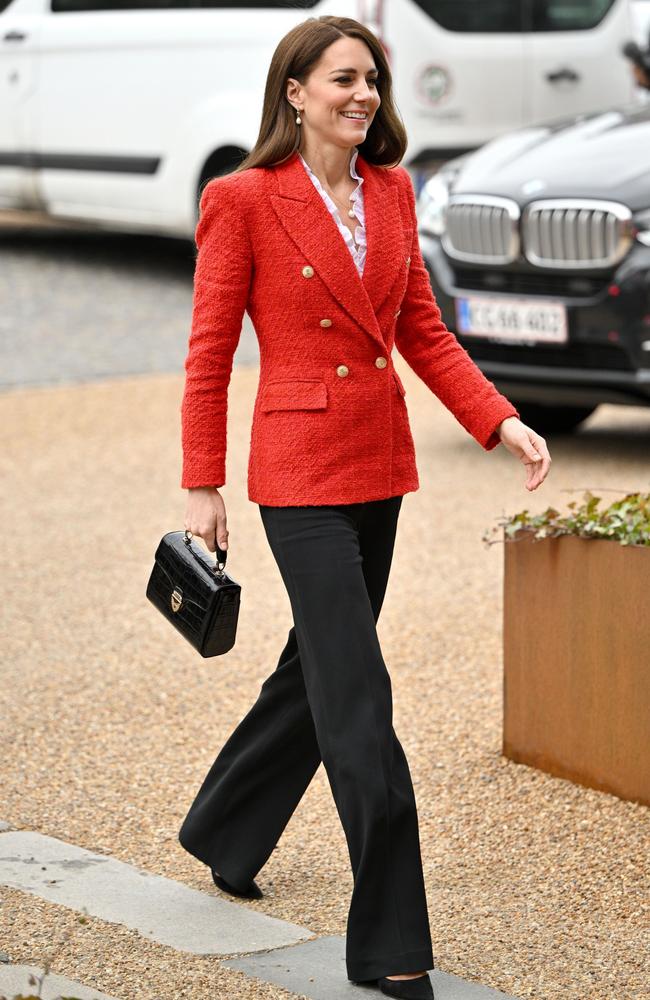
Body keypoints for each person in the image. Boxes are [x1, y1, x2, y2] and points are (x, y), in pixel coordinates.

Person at [178, 15, 551, 999]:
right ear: (293, 91)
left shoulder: (390, 190)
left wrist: (497, 419)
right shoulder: (243, 199)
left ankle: (223, 826)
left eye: (371, 80)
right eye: (342, 78)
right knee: (358, 700)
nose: (362, 95)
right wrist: (200, 483)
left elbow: (420, 329)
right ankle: (389, 942)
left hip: (376, 467)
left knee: (315, 671)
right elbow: (209, 351)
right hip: (296, 476)